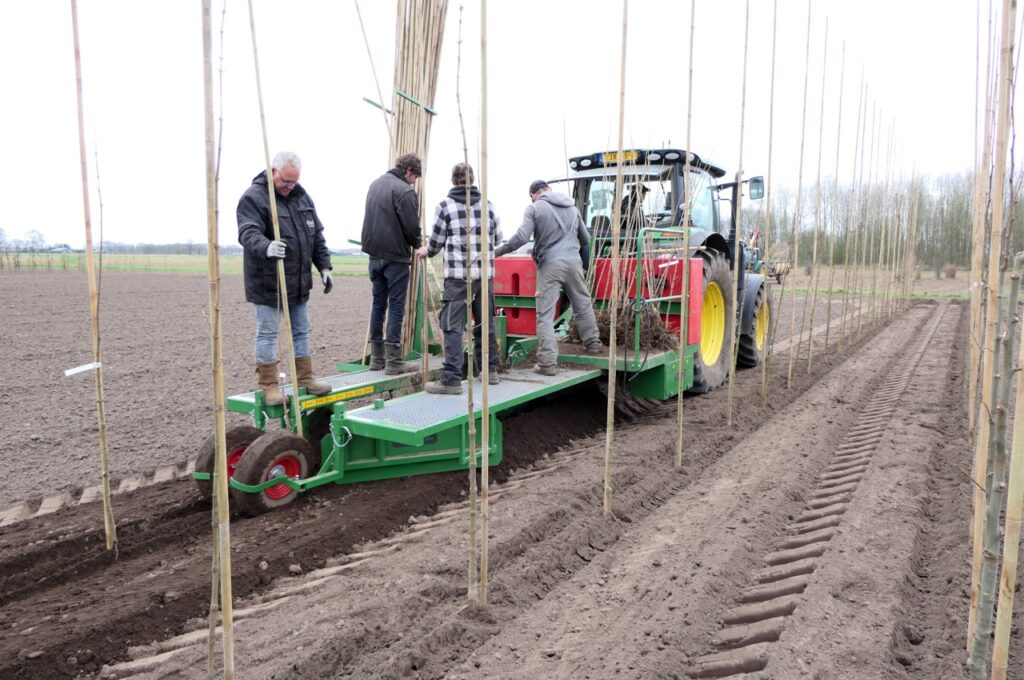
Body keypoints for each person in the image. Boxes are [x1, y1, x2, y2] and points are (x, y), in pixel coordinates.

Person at [237, 151, 333, 406]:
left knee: (301, 331)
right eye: (285, 182)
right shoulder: (255, 197)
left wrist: (324, 267)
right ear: (273, 171)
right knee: (268, 333)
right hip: (268, 283)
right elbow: (247, 232)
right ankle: (269, 386)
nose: (290, 187)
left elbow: (316, 236)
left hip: (298, 282)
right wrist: (266, 246)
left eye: (294, 182)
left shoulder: (303, 198)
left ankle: (305, 379)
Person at [494, 180, 605, 376]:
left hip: (551, 264)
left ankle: (547, 363)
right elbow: (586, 239)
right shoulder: (572, 208)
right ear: (548, 190)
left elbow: (521, 237)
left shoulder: (534, 208)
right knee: (582, 303)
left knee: (544, 314)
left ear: (533, 194)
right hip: (574, 262)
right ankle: (593, 344)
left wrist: (499, 251)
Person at [416, 163, 502, 395]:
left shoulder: (445, 206)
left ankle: (451, 378)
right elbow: (498, 237)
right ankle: (490, 370)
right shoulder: (489, 206)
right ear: (473, 180)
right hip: (484, 275)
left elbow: (435, 243)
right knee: (485, 322)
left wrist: (426, 250)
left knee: (452, 325)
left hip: (457, 277)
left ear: (453, 181)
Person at [361, 153, 423, 375]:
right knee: (397, 306)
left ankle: (377, 358)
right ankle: (395, 361)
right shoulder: (404, 191)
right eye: (415, 176)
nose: (415, 181)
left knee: (378, 304)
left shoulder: (375, 184)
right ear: (409, 171)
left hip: (373, 255)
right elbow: (411, 226)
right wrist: (418, 244)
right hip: (395, 257)